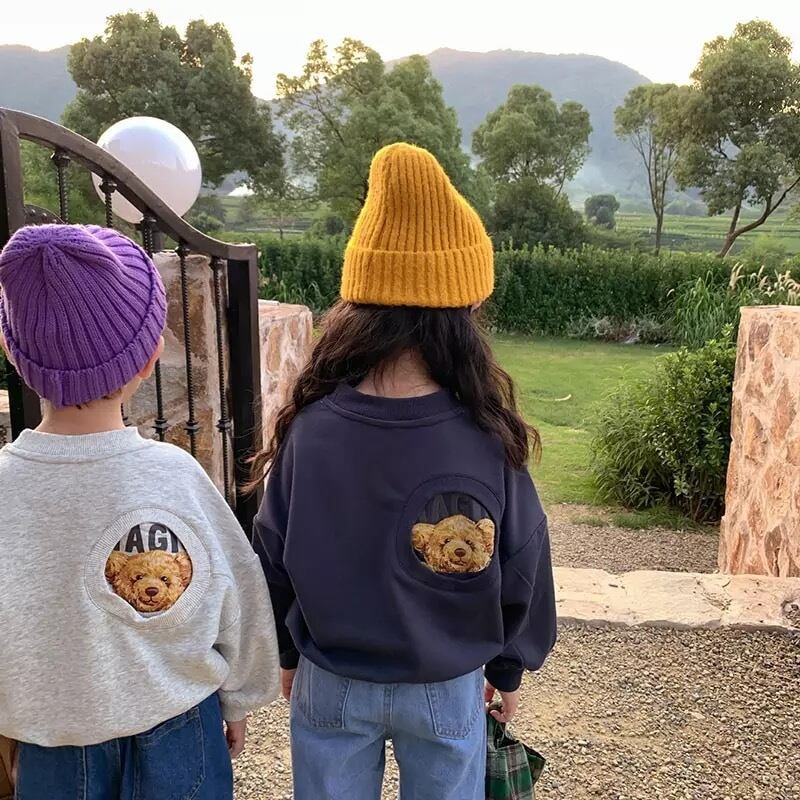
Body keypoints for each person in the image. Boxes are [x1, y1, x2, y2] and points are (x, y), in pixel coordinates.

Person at [252, 142, 557, 800]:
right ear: (463, 315)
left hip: (331, 680)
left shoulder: (311, 430)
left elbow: (271, 553)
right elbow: (525, 560)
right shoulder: (486, 437)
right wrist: (508, 667)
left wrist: (285, 652)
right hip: (446, 688)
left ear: (359, 308)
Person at [0, 224, 280, 799]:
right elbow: (239, 589)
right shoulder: (176, 475)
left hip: (51, 748)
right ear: (151, 356)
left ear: (12, 351)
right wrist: (241, 698)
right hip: (179, 733)